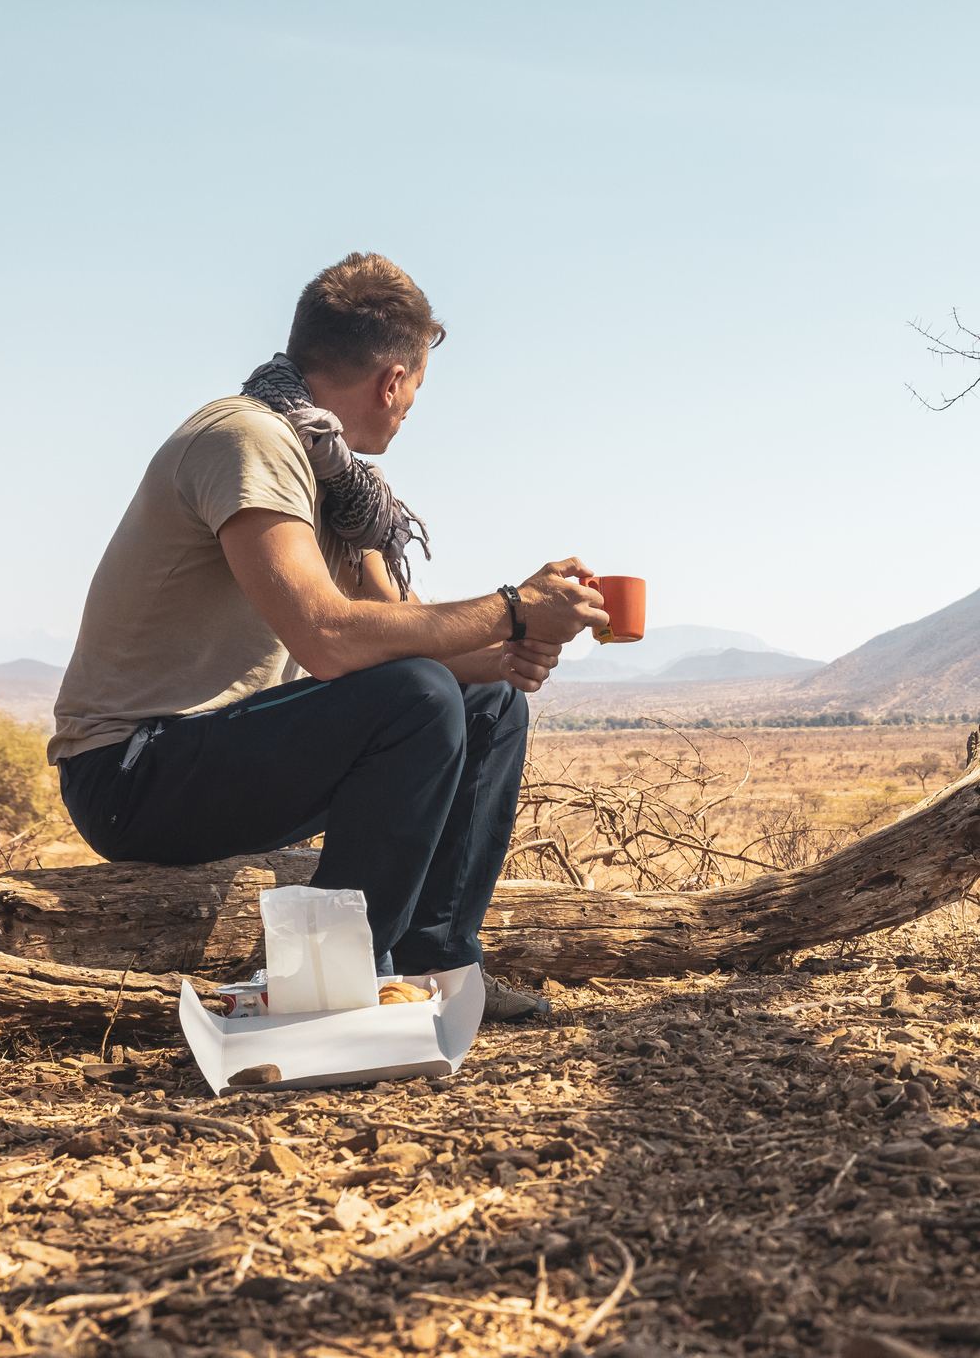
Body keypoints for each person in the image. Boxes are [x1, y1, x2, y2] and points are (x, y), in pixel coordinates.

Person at [46, 252, 608, 1020]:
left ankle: (436, 967)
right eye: (415, 390)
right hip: (127, 773)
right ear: (393, 381)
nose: (410, 408)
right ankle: (335, 989)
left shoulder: (339, 482)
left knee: (487, 703)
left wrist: (520, 645)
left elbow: (408, 641)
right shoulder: (248, 440)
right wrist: (512, 605)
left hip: (217, 757)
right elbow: (329, 639)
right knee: (416, 697)